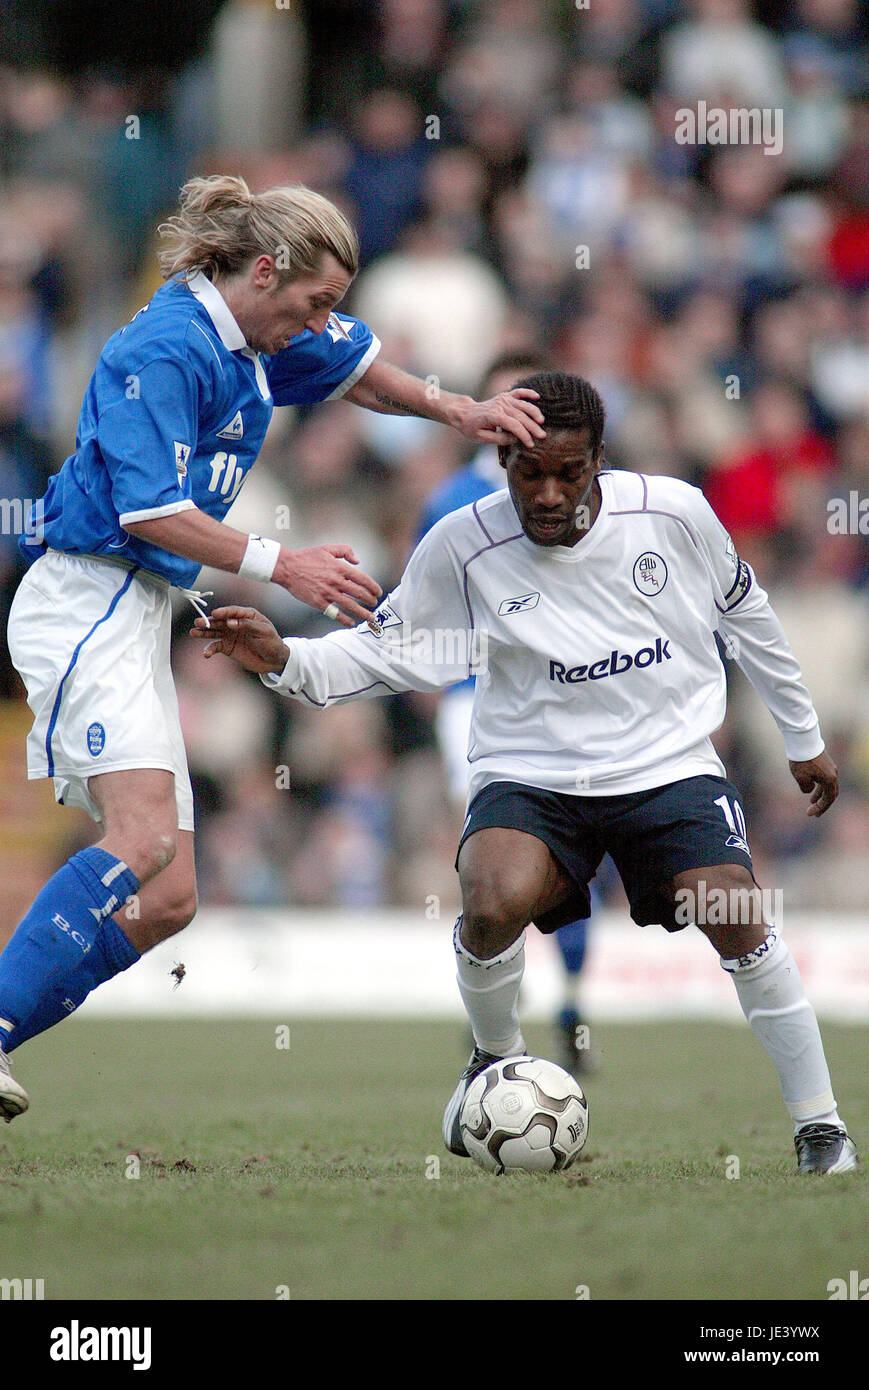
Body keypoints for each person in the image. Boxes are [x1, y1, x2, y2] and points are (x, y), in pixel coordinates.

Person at [191, 370, 857, 1175]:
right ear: (501, 460)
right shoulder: (462, 542)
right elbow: (390, 650)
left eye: (567, 473)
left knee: (736, 915)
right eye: (526, 472)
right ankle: (492, 1066)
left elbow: (746, 614)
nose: (546, 493)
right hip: (531, 772)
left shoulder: (673, 514)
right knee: (490, 898)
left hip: (667, 765)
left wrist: (801, 735)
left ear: (598, 461)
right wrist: (285, 658)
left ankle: (819, 1124)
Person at [0, 174, 544, 1122]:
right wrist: (281, 564)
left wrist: (458, 411)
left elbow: (360, 372)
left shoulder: (259, 334)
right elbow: (150, 511)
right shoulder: (162, 348)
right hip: (85, 596)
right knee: (139, 841)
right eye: (317, 301)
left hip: (139, 606)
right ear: (261, 270)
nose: (322, 321)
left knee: (168, 898)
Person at [416, 349, 595, 1077]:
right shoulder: (449, 500)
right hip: (473, 704)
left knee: (579, 867)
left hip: (567, 696)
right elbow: (420, 609)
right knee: (496, 859)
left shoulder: (579, 489)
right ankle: (493, 1019)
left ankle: (573, 1005)